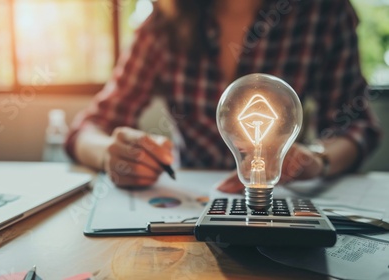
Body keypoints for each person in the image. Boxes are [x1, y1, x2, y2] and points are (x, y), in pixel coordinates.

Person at [65, 0, 381, 192]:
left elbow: (356, 127)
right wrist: (112, 153)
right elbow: (88, 128)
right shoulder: (163, 23)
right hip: (189, 204)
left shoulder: (322, 13)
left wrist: (317, 159)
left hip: (286, 192)